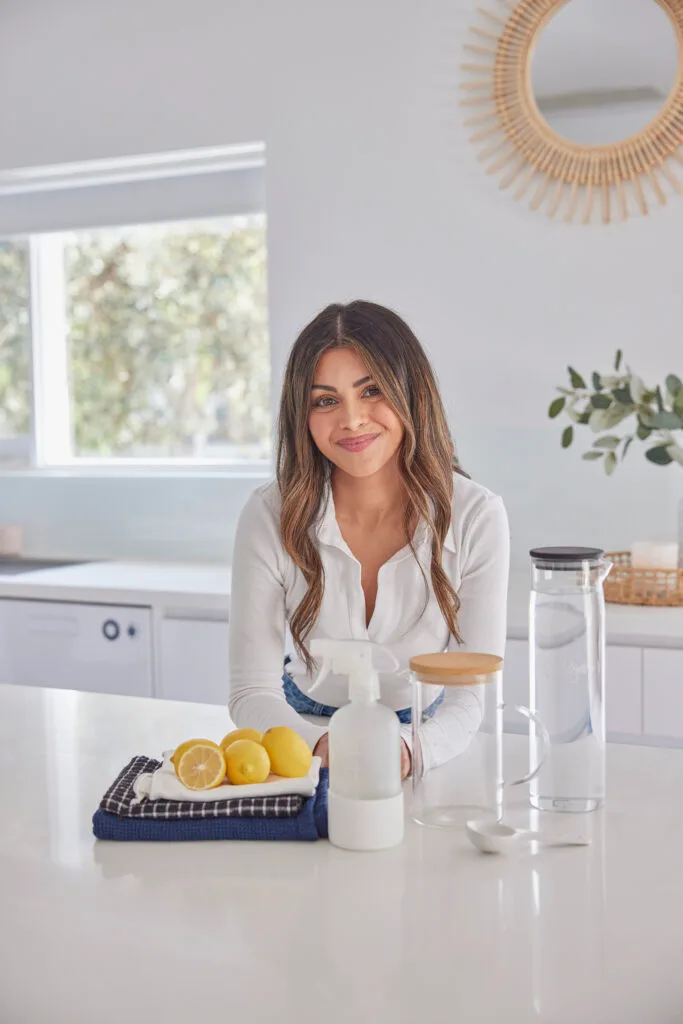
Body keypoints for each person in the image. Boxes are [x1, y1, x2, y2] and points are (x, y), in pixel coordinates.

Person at [228, 300, 509, 778]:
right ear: (304, 415)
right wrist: (321, 747)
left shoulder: (476, 516)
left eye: (372, 390)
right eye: (326, 400)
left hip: (424, 734)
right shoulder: (269, 514)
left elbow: (468, 701)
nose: (353, 420)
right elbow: (250, 693)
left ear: (410, 392)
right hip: (300, 728)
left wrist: (405, 750)